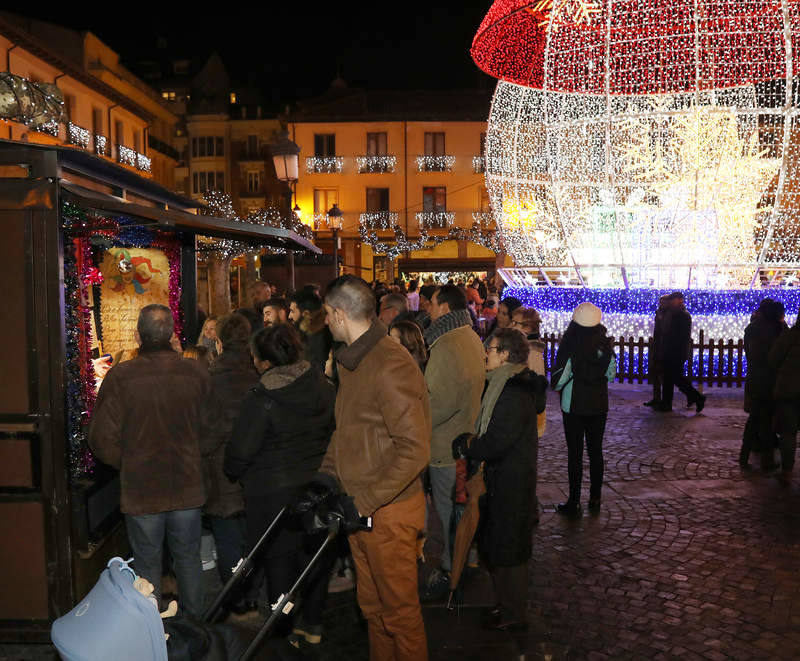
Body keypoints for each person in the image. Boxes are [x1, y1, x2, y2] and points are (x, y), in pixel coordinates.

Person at [315, 275, 431, 661]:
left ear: (338, 313)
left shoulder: (388, 363)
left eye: (326, 316)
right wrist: (326, 476)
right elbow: (347, 430)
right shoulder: (354, 360)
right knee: (374, 611)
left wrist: (363, 501)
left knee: (400, 616)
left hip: (387, 513)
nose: (325, 324)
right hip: (362, 511)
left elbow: (414, 451)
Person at [88, 304, 212, 617]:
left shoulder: (121, 377)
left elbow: (101, 439)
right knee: (188, 560)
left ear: (138, 335)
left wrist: (130, 461)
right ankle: (197, 630)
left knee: (145, 568)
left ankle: (152, 635)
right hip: (186, 482)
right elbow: (214, 429)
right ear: (172, 334)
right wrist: (195, 455)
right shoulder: (196, 372)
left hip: (142, 488)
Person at [224, 323, 335, 646]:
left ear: (266, 362)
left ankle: (283, 632)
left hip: (272, 496)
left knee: (279, 566)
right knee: (315, 560)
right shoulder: (323, 385)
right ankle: (313, 625)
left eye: (255, 358)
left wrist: (233, 470)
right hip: (318, 486)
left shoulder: (262, 398)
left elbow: (240, 451)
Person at [452, 328, 545, 631]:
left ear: (505, 354)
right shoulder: (504, 384)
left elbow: (499, 440)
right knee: (501, 546)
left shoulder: (514, 390)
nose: (485, 354)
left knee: (510, 549)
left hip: (511, 480)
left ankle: (514, 614)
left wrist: (470, 446)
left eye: (490, 349)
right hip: (504, 477)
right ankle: (505, 606)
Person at [422, 284, 485, 596]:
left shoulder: (447, 344)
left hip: (446, 443)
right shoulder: (469, 335)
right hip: (465, 435)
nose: (428, 310)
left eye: (432, 304)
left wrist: (415, 421)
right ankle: (466, 557)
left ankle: (450, 568)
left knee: (447, 512)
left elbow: (438, 403)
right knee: (459, 508)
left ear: (444, 308)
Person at [202, 313, 259, 613]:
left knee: (226, 536)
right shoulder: (260, 374)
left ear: (220, 341)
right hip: (256, 467)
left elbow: (206, 428)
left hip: (221, 468)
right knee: (252, 533)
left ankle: (234, 597)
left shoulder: (210, 378)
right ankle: (251, 593)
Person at [551, 302, 616, 517]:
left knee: (575, 453)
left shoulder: (571, 346)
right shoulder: (605, 346)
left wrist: (565, 379)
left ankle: (574, 500)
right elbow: (610, 375)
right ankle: (595, 497)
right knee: (596, 451)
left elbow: (559, 379)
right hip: (599, 405)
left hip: (574, 405)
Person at [511, 306, 547, 523]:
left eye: (516, 323)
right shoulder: (525, 348)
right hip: (526, 417)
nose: (512, 326)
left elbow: (536, 390)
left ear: (528, 327)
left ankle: (528, 508)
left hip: (529, 418)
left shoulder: (532, 353)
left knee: (526, 464)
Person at [742, 299, 784, 470]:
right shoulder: (775, 330)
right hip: (769, 379)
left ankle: (744, 455)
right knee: (766, 420)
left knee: (754, 418)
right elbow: (774, 357)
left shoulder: (752, 328)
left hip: (755, 378)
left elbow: (750, 353)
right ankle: (767, 460)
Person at [768, 308, 800, 483]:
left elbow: (773, 359)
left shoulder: (789, 336)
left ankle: (787, 471)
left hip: (789, 390)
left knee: (788, 433)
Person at [659, 292, 706, 413]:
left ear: (679, 301)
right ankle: (669, 403)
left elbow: (678, 335)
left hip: (676, 351)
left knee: (675, 377)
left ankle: (696, 397)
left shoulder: (682, 316)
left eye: (672, 300)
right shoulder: (674, 314)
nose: (669, 303)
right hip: (671, 350)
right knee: (670, 378)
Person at [289, 287, 333, 373]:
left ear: (306, 314)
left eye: (292, 311)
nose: (289, 316)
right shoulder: (306, 334)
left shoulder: (318, 337)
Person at [644, 295, 671, 407]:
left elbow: (666, 330)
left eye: (663, 302)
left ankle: (663, 400)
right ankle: (656, 397)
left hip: (664, 347)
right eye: (660, 302)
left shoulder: (668, 315)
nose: (661, 304)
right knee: (656, 373)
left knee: (663, 374)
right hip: (658, 346)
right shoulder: (659, 313)